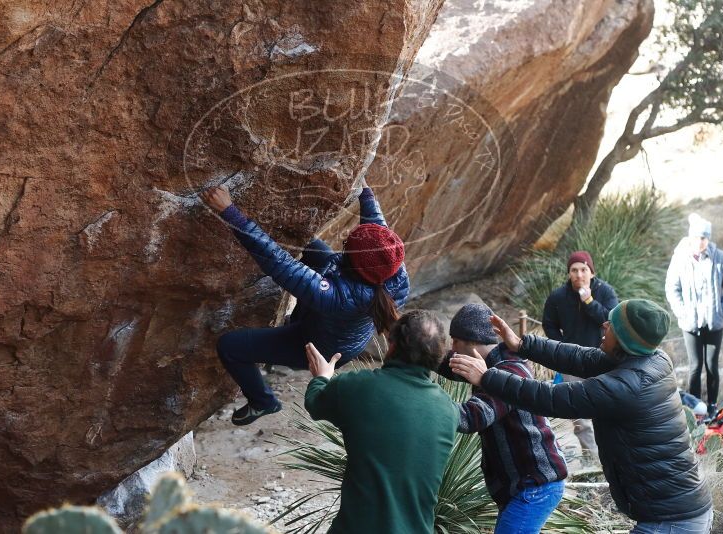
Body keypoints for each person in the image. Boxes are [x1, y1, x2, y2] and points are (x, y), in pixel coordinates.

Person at [449, 299, 713, 533]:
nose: (603, 325)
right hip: (677, 509)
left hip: (672, 521)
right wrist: (522, 344)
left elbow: (551, 399)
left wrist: (488, 377)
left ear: (623, 339)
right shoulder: (650, 359)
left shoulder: (626, 386)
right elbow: (580, 357)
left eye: (611, 324)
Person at [201, 182, 410, 425]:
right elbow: (378, 232)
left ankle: (263, 401)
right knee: (311, 246)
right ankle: (297, 319)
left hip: (316, 347)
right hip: (337, 326)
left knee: (229, 346)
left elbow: (279, 264)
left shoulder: (337, 297)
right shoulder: (393, 269)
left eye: (347, 246)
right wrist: (366, 191)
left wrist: (229, 212)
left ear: (354, 263)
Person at [304, 310, 457, 533]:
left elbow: (315, 403)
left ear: (392, 345)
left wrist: (322, 377)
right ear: (439, 357)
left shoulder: (359, 387)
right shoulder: (449, 410)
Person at [438, 303, 567, 534]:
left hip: (536, 487)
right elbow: (449, 364)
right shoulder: (494, 363)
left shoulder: (508, 373)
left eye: (455, 341)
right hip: (524, 485)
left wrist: (423, 403)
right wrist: (417, 349)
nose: (452, 347)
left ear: (473, 343)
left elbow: (471, 417)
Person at [542, 251, 618, 461]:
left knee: (604, 410)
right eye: (574, 270)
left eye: (583, 270)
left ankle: (611, 455)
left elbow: (611, 320)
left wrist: (589, 301)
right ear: (569, 274)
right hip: (572, 361)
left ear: (592, 273)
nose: (579, 274)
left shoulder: (605, 292)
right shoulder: (559, 297)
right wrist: (561, 345)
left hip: (602, 359)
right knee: (580, 417)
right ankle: (592, 460)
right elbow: (549, 323)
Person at [666, 213, 723, 412]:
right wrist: (682, 313)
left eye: (704, 238)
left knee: (712, 366)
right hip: (690, 324)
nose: (700, 242)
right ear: (690, 237)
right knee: (695, 367)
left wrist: (722, 312)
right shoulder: (680, 258)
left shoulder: (720, 258)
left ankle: (713, 407)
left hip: (714, 323)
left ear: (708, 238)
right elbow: (672, 288)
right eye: (697, 237)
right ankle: (695, 408)